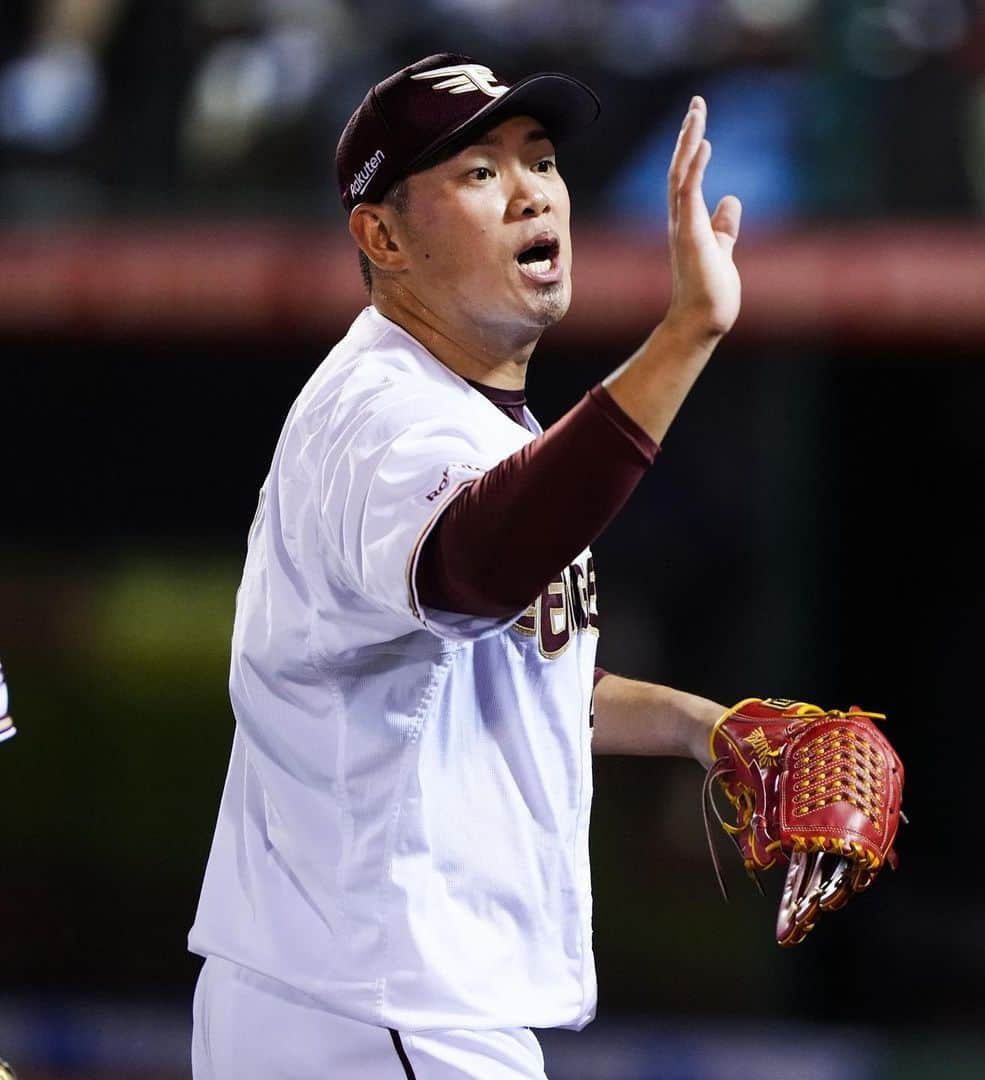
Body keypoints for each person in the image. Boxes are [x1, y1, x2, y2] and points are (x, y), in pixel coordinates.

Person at [189, 52, 742, 1078]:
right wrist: (687, 333)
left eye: (539, 159)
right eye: (478, 172)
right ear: (382, 234)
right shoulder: (383, 415)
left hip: (359, 995)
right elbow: (477, 567)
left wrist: (696, 726)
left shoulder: (476, 422)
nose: (531, 188)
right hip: (377, 1000)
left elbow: (504, 670)